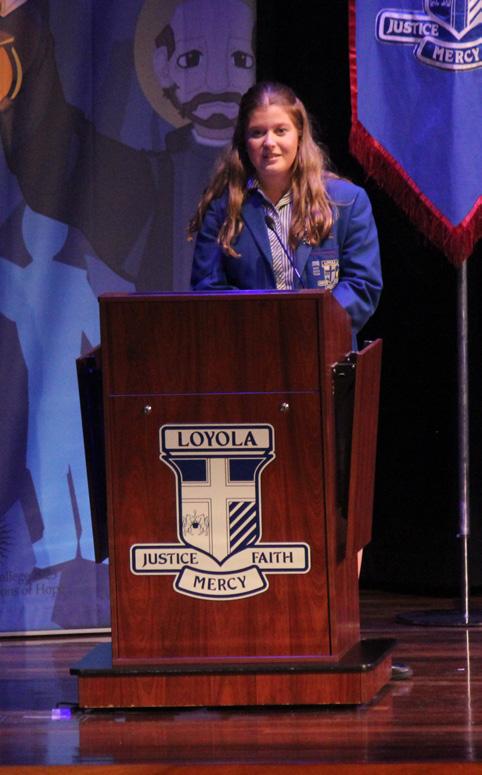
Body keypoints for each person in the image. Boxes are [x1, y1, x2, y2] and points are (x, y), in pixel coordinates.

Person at [189, 80, 382, 345]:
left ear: (299, 134)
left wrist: (306, 326)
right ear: (244, 141)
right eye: (257, 133)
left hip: (325, 350)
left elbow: (362, 285)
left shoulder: (347, 202)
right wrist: (268, 327)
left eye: (281, 130)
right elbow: (207, 290)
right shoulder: (223, 208)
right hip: (250, 352)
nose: (269, 142)